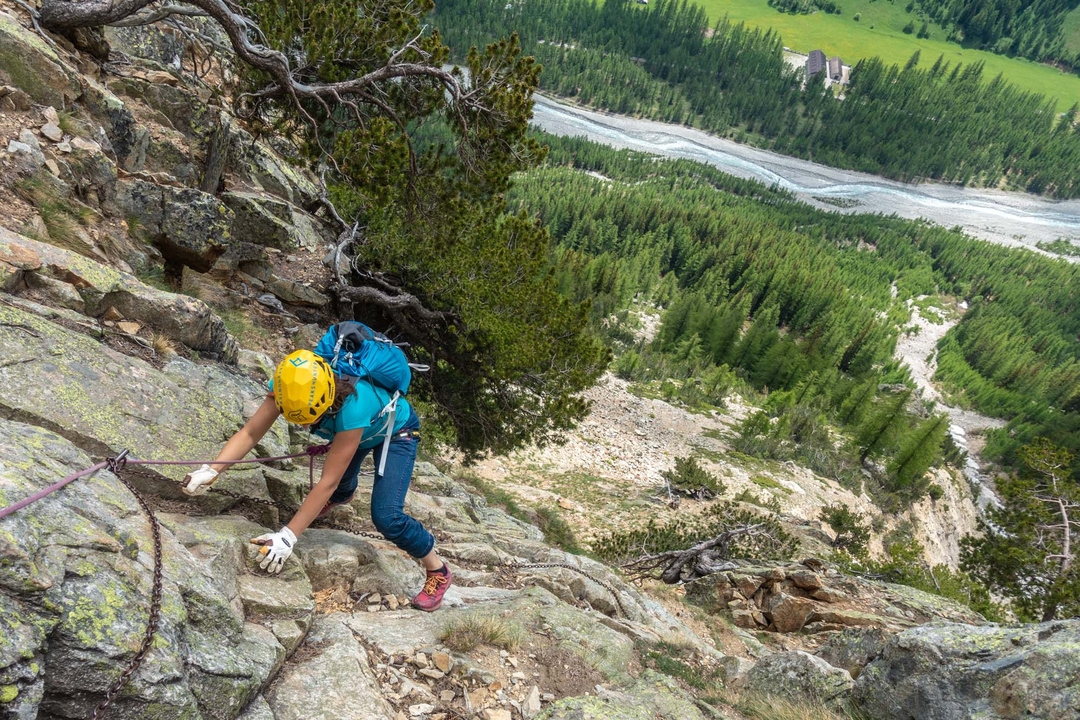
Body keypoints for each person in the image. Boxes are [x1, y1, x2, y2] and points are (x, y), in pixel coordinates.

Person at [181, 347, 452, 611]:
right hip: (360, 429)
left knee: (387, 516)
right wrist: (212, 470)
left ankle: (436, 569)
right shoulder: (289, 385)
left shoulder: (353, 408)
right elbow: (251, 433)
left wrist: (288, 537)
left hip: (397, 432)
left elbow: (327, 481)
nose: (302, 427)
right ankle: (343, 497)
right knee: (339, 488)